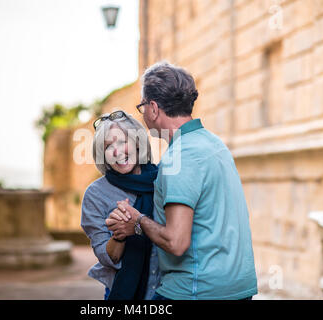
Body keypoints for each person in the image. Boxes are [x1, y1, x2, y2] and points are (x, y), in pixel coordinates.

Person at [106, 62, 258, 300]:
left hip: (197, 291)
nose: (142, 113)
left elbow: (176, 242)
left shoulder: (179, 158)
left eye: (142, 106)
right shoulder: (215, 144)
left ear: (153, 108)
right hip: (237, 288)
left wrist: (138, 221)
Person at [80, 110, 161, 300]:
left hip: (165, 289)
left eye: (123, 142)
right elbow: (108, 257)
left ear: (138, 143)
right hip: (123, 292)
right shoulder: (96, 194)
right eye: (108, 146)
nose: (117, 152)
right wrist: (119, 234)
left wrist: (138, 224)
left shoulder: (163, 180)